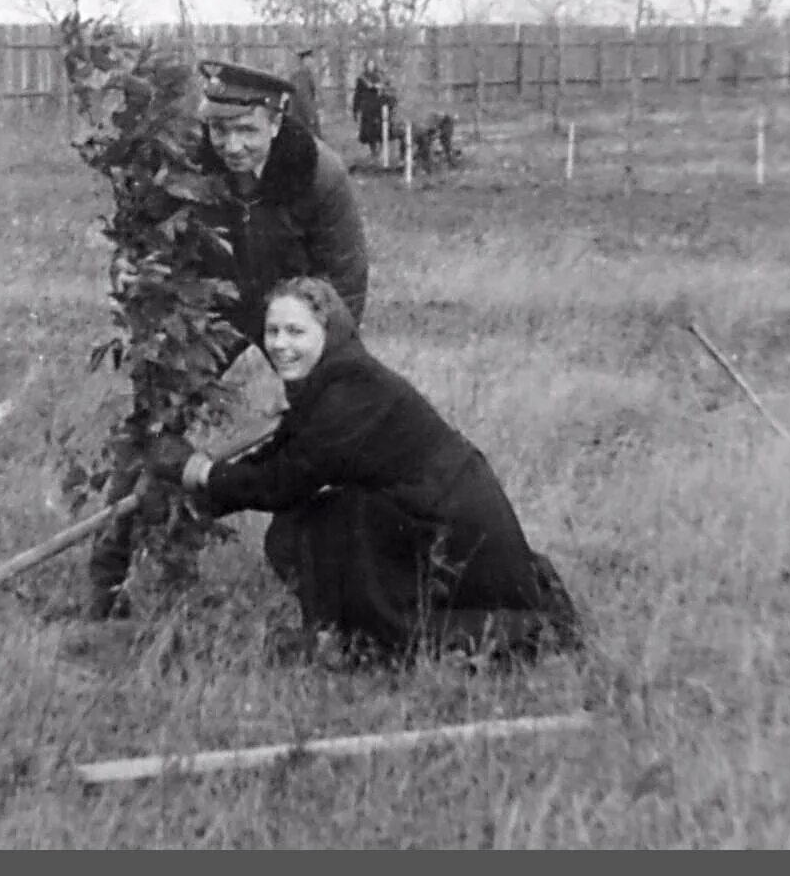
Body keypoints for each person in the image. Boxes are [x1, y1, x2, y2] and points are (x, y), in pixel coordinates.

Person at [144, 276, 583, 666]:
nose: (279, 344)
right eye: (273, 331)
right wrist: (198, 494)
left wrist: (200, 473)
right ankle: (350, 633)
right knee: (325, 516)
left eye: (296, 331)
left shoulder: (350, 392)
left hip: (458, 532)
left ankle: (381, 639)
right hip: (429, 510)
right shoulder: (332, 381)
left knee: (321, 523)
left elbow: (283, 483)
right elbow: (279, 457)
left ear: (329, 332)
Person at [83, 61, 371, 621]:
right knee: (154, 424)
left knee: (341, 423)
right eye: (221, 130)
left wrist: (325, 364)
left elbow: (345, 284)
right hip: (209, 308)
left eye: (247, 131)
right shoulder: (185, 165)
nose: (232, 145)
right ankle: (108, 578)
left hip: (293, 309)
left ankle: (345, 574)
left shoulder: (317, 174)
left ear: (275, 121)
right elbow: (140, 239)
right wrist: (130, 266)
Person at [351, 58, 395, 163]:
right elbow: (357, 95)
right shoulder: (361, 79)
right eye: (368, 64)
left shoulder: (380, 77)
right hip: (367, 108)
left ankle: (381, 152)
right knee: (369, 132)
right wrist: (355, 110)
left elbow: (388, 89)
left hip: (379, 108)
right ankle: (374, 152)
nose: (370, 66)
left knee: (381, 130)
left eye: (372, 64)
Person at [287, 47, 322, 139]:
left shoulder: (305, 74)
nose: (312, 62)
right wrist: (311, 117)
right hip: (302, 118)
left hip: (301, 118)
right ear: (304, 60)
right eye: (310, 59)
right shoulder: (300, 76)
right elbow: (304, 97)